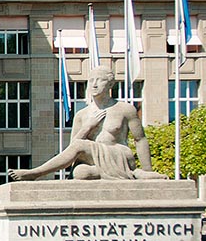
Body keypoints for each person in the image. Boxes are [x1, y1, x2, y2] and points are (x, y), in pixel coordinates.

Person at [10, 67, 166, 181]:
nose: (94, 84)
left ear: (110, 85)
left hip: (119, 155)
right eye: (91, 80)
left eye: (100, 80)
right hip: (94, 159)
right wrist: (88, 127)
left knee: (80, 146)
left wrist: (147, 170)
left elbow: (140, 140)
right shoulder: (82, 115)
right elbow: (72, 148)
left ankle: (35, 173)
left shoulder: (125, 109)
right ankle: (108, 174)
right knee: (81, 173)